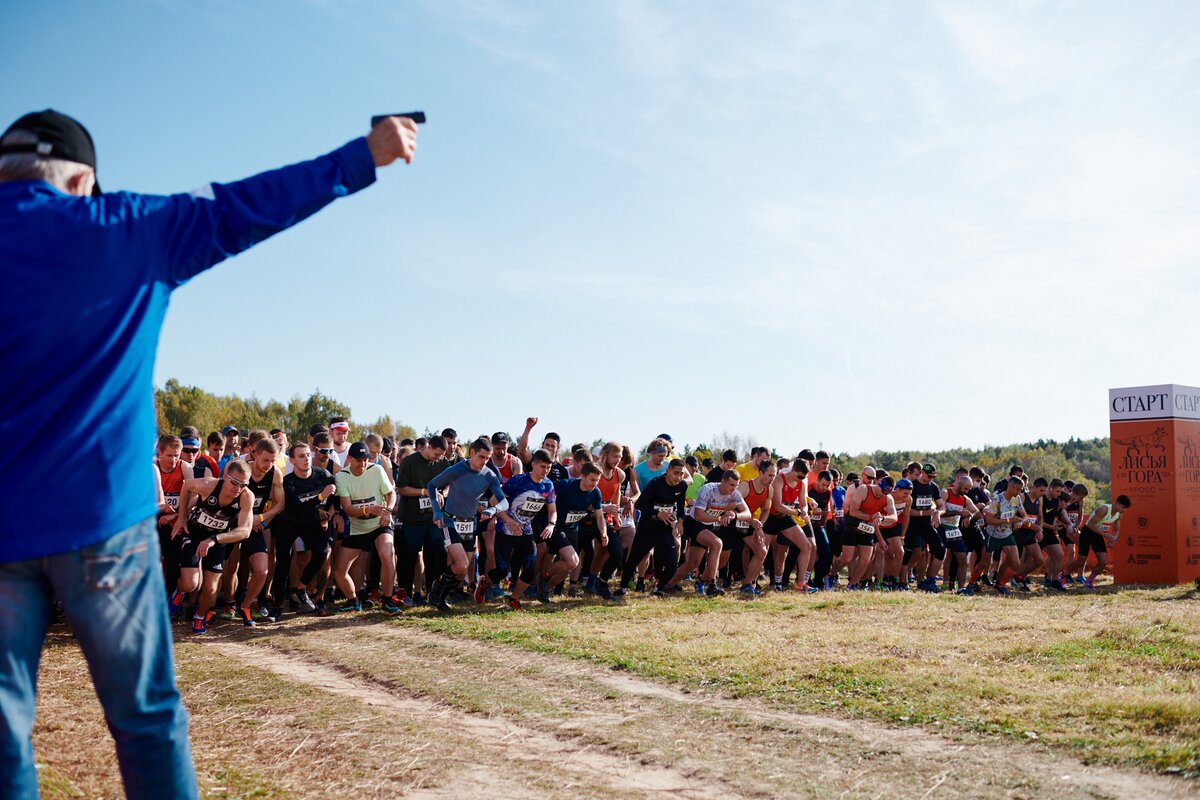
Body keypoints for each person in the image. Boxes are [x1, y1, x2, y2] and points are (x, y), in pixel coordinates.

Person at [0, 107, 417, 800]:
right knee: (145, 719)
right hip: (101, 519)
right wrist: (361, 156)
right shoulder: (121, 225)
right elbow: (243, 208)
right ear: (81, 180)